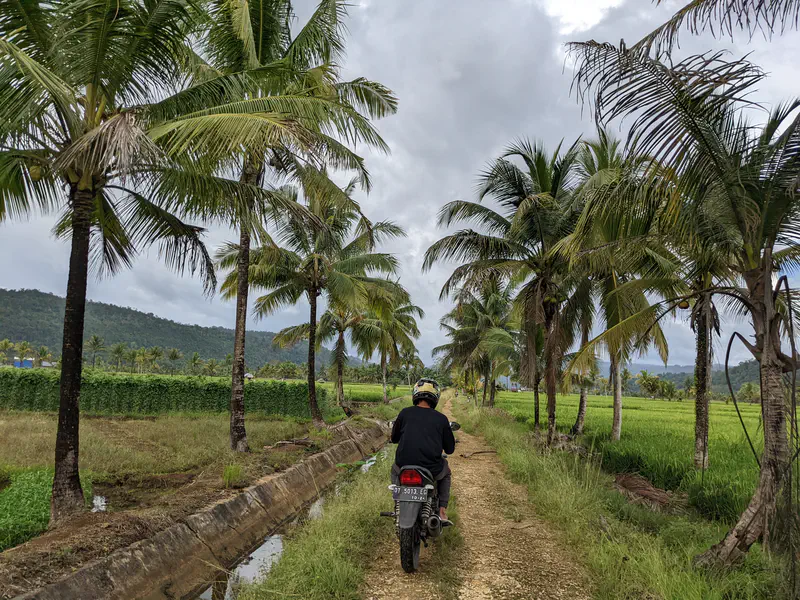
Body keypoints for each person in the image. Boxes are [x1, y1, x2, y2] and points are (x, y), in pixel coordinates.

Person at [390, 378, 455, 522]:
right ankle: (442, 511)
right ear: (435, 397)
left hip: (403, 465)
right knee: (446, 472)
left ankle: (398, 504)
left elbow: (394, 438)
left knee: (394, 470)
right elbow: (450, 449)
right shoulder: (442, 419)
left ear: (415, 394)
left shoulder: (404, 413)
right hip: (432, 468)